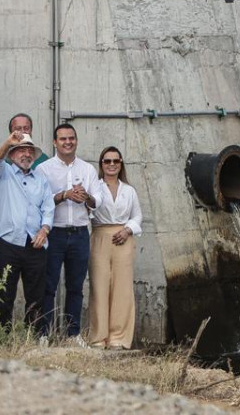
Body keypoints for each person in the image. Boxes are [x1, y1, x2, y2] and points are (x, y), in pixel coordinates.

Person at [0, 130, 53, 330]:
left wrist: (44, 230)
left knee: (36, 296)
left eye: (29, 151)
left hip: (34, 243)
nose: (26, 154)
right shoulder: (3, 173)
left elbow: (48, 208)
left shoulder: (41, 179)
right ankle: (2, 337)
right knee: (4, 294)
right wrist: (8, 142)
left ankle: (33, 337)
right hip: (8, 243)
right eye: (20, 150)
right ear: (12, 154)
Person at [38, 123, 98, 337]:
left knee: (75, 288)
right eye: (63, 139)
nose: (68, 142)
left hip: (80, 233)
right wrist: (64, 195)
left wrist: (86, 197)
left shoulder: (87, 169)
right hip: (54, 233)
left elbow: (96, 202)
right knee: (48, 286)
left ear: (76, 140)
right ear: (55, 142)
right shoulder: (44, 169)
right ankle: (44, 334)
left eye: (71, 138)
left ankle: (72, 335)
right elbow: (39, 202)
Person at [87, 146, 142, 349]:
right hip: (100, 236)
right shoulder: (95, 188)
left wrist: (128, 230)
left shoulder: (129, 190)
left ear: (121, 164)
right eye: (107, 161)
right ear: (101, 164)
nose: (111, 165)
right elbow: (90, 205)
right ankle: (98, 337)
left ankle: (118, 337)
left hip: (123, 238)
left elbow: (138, 216)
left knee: (122, 288)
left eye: (115, 161)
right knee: (99, 287)